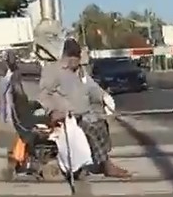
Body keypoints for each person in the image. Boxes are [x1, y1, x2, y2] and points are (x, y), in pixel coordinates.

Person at [38, 37, 131, 179]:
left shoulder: (80, 72)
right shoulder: (53, 71)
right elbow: (44, 95)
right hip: (67, 117)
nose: (78, 62)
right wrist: (53, 110)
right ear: (68, 57)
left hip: (85, 113)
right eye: (76, 58)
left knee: (101, 122)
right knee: (92, 127)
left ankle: (100, 159)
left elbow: (92, 87)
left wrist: (104, 97)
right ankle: (106, 165)